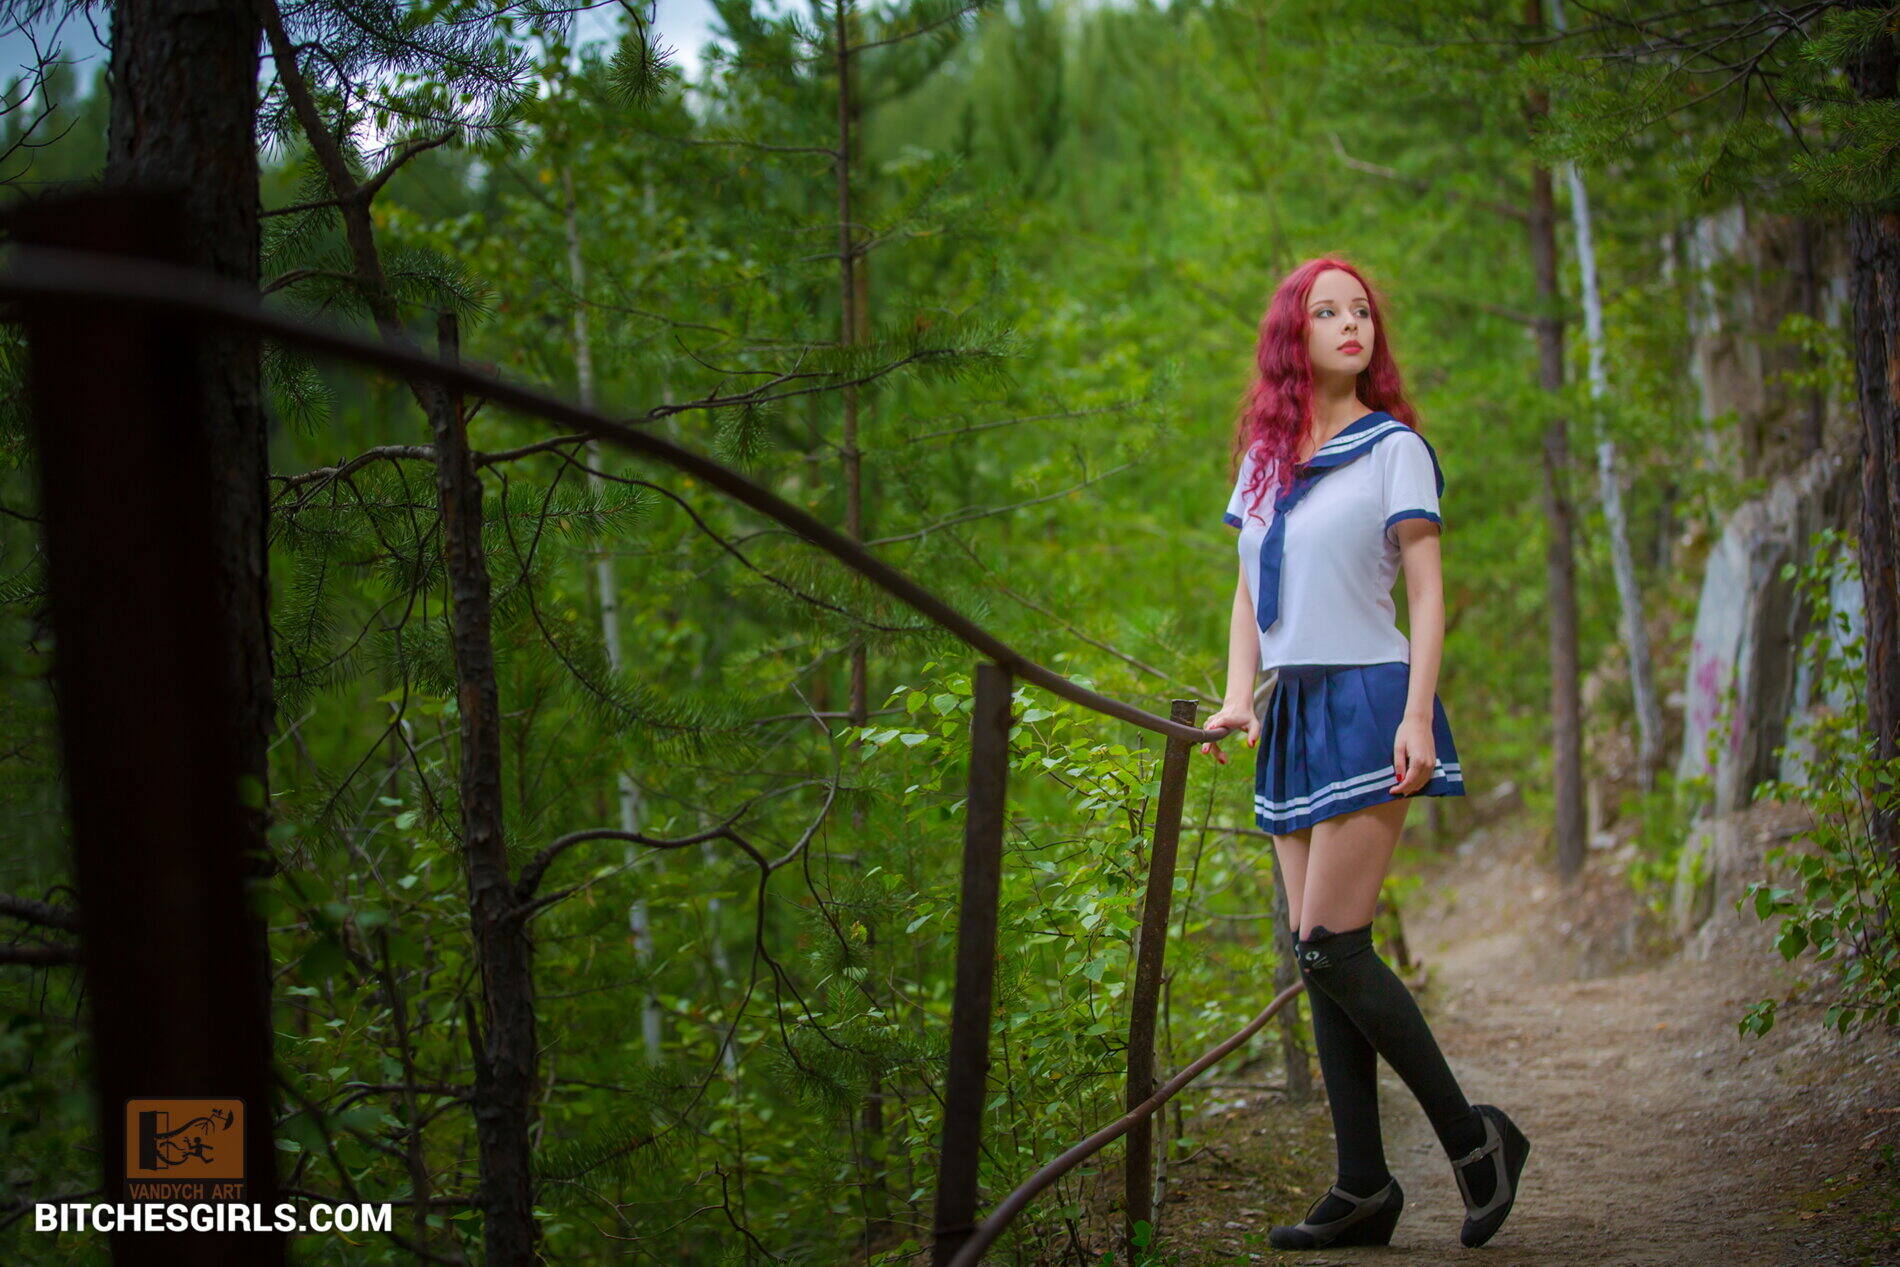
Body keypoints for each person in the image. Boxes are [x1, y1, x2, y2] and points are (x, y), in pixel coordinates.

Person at [1196, 258, 1530, 1250]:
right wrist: (1236, 698)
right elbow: (1248, 591)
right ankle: (1362, 1187)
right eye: (1327, 311)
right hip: (1293, 709)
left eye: (1362, 312)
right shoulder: (1263, 462)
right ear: (1291, 337)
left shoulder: (1395, 450)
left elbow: (1425, 592)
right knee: (1319, 959)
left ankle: (1474, 1140)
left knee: (1331, 943)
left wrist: (1417, 715)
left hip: (1371, 697)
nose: (1352, 325)